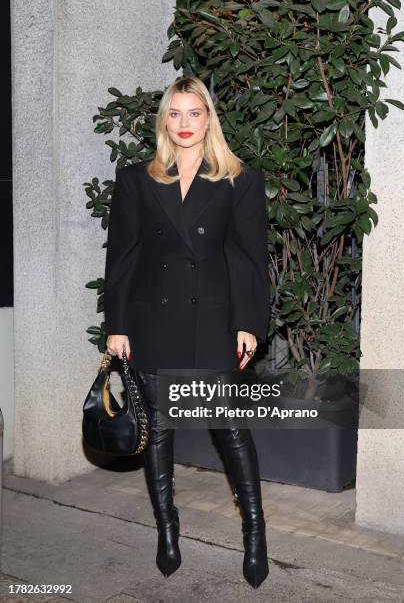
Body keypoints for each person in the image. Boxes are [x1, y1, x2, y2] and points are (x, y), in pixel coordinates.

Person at [104, 75, 270, 589]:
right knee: (159, 431)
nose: (183, 124)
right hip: (154, 320)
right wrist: (117, 326)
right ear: (164, 120)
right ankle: (168, 529)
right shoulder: (136, 179)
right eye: (174, 113)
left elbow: (248, 259)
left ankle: (255, 532)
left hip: (212, 320)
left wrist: (248, 323)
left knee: (231, 430)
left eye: (194, 113)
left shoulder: (238, 179)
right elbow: (123, 259)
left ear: (208, 119)